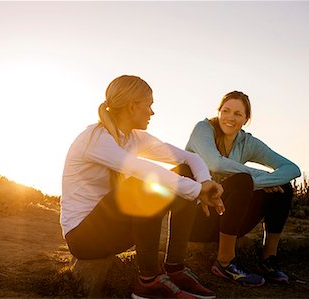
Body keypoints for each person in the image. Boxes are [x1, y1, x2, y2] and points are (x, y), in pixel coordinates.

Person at [60, 75, 225, 299]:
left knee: (185, 173)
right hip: (83, 237)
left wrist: (204, 182)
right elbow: (142, 171)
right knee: (142, 184)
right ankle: (148, 282)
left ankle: (175, 268)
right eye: (149, 105)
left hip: (117, 228)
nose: (152, 112)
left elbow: (189, 157)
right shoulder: (95, 139)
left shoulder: (135, 138)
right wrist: (196, 191)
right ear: (131, 107)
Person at [185, 91, 301, 286]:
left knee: (283, 187)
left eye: (238, 114)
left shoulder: (247, 142)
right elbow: (216, 163)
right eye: (226, 110)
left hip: (228, 221)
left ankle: (268, 259)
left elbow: (292, 168)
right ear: (219, 112)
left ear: (246, 119)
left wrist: (268, 181)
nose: (230, 117)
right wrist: (261, 177)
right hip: (194, 219)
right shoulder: (203, 129)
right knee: (242, 181)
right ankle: (225, 262)